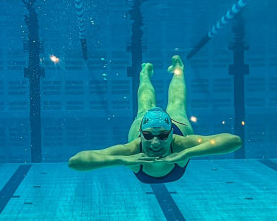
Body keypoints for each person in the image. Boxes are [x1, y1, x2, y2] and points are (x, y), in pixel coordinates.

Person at [68, 55, 242, 183]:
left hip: (177, 129)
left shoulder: (182, 144)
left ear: (172, 134)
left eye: (163, 136)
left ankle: (178, 69)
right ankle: (144, 73)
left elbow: (234, 141)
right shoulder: (132, 150)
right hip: (142, 128)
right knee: (145, 105)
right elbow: (75, 162)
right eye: (149, 136)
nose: (156, 143)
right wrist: (121, 159)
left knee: (176, 104)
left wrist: (188, 152)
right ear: (142, 135)